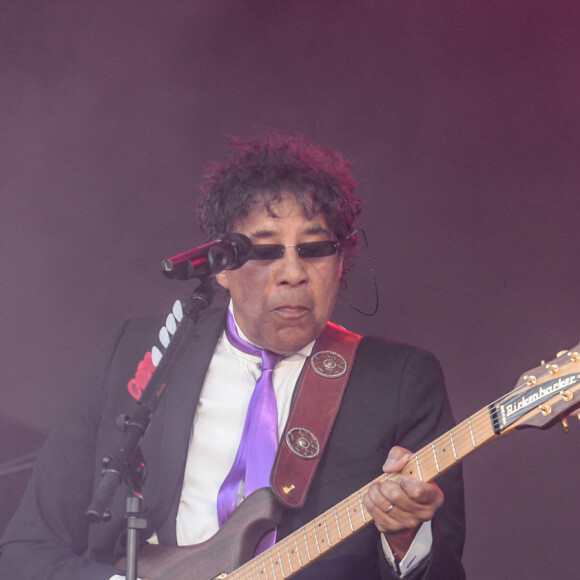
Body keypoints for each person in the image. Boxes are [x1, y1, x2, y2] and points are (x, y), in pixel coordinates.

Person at [0, 135, 465, 579]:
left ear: (341, 260)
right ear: (221, 267)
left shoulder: (399, 381)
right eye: (264, 251)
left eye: (315, 249)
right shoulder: (138, 354)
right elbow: (27, 552)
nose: (293, 273)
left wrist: (408, 537)